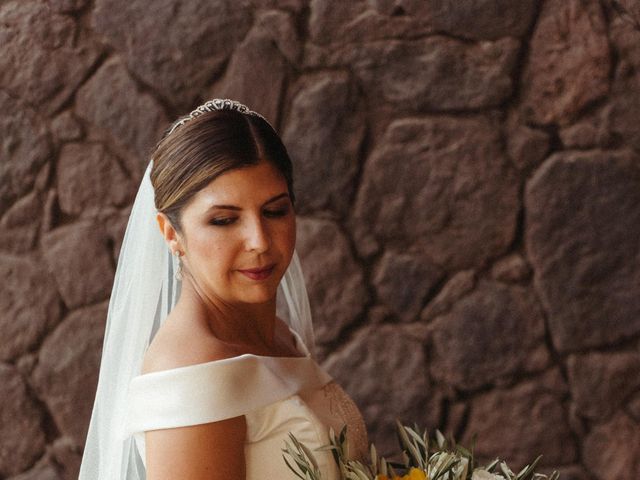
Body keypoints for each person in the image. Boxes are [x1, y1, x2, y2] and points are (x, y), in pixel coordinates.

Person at [78, 99, 368, 480]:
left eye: (275, 211)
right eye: (224, 220)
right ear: (171, 234)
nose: (259, 241)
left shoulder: (278, 336)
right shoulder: (190, 371)